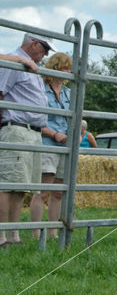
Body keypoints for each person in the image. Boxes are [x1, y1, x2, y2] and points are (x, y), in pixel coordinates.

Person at [0, 33, 52, 247]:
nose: (46, 54)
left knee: (21, 185)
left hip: (33, 132)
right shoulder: (12, 62)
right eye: (45, 48)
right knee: (6, 183)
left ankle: (14, 234)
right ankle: (1, 235)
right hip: (16, 128)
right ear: (34, 43)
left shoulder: (31, 67)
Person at [30, 52, 72, 239]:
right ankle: (36, 233)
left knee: (58, 193)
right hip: (47, 142)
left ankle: (53, 232)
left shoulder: (68, 93)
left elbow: (75, 116)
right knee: (43, 191)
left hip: (65, 146)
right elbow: (36, 119)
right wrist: (53, 134)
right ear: (55, 68)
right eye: (65, 68)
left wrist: (75, 134)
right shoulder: (41, 89)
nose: (68, 72)